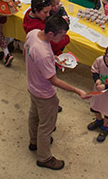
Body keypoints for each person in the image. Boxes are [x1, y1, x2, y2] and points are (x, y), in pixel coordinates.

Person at [25, 13, 87, 170]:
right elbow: (54, 80)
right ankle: (44, 158)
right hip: (45, 94)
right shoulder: (44, 54)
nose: (63, 38)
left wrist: (53, 61)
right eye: (62, 35)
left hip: (32, 86)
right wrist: (77, 90)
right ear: (51, 33)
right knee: (46, 127)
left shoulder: (33, 34)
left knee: (34, 115)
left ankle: (34, 142)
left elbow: (31, 56)